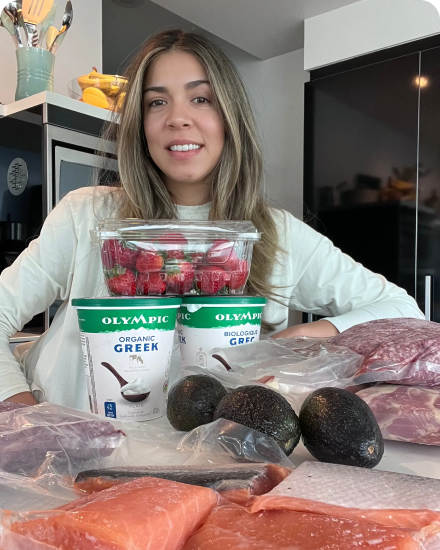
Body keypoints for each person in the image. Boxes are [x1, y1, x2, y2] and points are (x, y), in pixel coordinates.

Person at [0, 29, 424, 409]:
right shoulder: (86, 213)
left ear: (230, 118)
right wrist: (25, 416)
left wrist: (307, 335)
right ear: (140, 126)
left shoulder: (274, 233)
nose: (177, 118)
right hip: (64, 460)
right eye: (156, 102)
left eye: (200, 98)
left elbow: (403, 310)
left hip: (190, 462)